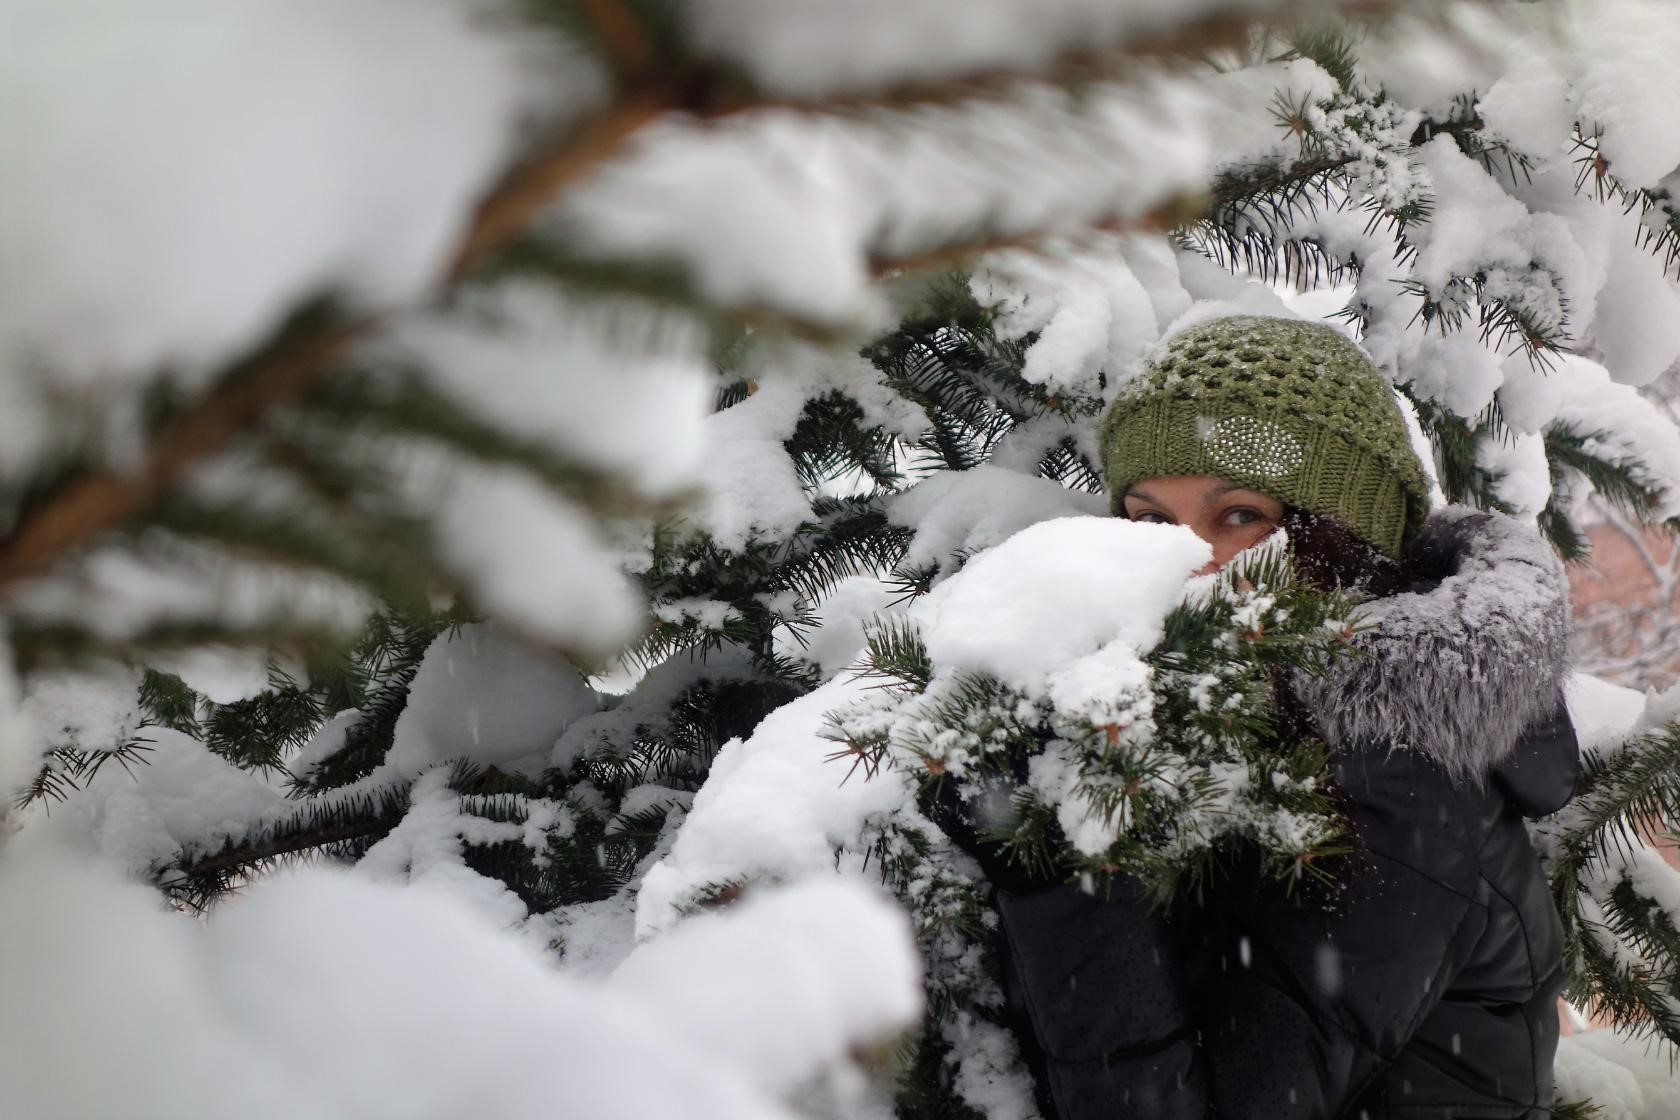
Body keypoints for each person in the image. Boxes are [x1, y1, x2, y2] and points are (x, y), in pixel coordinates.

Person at [983, 315, 1578, 1119]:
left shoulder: (1398, 774)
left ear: (1346, 541)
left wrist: (1062, 860)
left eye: (1238, 516)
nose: (1186, 559)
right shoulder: (1222, 717)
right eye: (1151, 521)